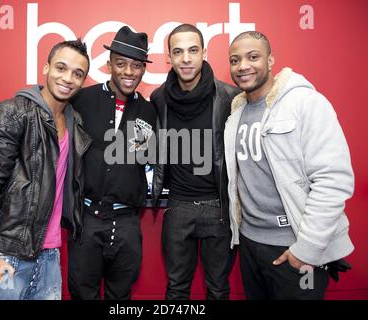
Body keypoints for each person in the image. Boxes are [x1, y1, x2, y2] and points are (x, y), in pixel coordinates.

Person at [224, 31, 354, 299]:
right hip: (250, 245)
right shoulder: (235, 115)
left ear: (270, 61)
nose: (243, 66)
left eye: (253, 57)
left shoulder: (306, 103)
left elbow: (333, 180)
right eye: (235, 60)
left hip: (295, 249)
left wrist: (305, 249)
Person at [0, 39, 91, 300]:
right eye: (61, 68)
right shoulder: (13, 112)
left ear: (82, 81)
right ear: (46, 68)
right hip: (6, 254)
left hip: (50, 255)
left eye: (77, 74)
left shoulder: (74, 121)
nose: (68, 78)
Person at [67, 26, 157, 300]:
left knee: (121, 295)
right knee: (83, 292)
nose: (129, 72)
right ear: (109, 65)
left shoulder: (148, 110)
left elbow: (144, 159)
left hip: (128, 221)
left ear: (143, 69)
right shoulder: (81, 100)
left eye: (136, 66)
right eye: (121, 64)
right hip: (87, 218)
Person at [151, 24, 239, 300]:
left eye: (192, 50)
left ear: (204, 52)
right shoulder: (159, 98)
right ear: (169, 57)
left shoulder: (230, 97)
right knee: (176, 289)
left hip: (219, 208)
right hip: (178, 207)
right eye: (178, 52)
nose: (186, 59)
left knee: (218, 289)